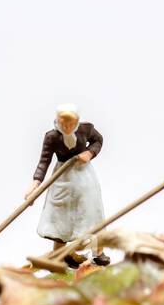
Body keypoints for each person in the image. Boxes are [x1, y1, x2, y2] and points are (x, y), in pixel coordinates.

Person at [27, 105, 109, 267]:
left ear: (77, 122)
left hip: (84, 176)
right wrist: (35, 183)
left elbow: (98, 141)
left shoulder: (86, 129)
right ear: (57, 121)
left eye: (70, 124)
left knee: (92, 212)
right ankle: (61, 255)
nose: (66, 127)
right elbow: (44, 161)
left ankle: (98, 252)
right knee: (61, 217)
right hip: (62, 178)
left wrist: (89, 153)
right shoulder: (52, 137)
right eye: (63, 124)